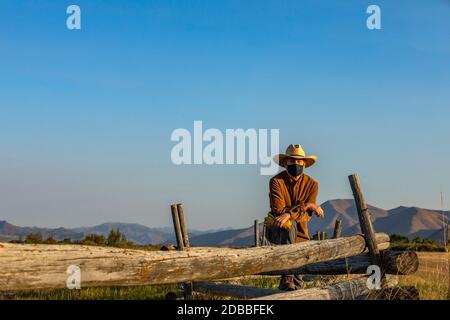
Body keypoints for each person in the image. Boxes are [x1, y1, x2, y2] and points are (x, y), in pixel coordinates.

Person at [264, 144, 324, 291]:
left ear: (304, 163)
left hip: (302, 236)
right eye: (291, 161)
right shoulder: (276, 182)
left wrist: (291, 213)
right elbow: (279, 210)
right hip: (278, 231)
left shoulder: (312, 184)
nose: (296, 164)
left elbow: (306, 216)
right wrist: (309, 205)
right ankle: (286, 277)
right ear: (285, 164)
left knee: (297, 284)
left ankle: (289, 282)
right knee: (289, 227)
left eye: (299, 161)